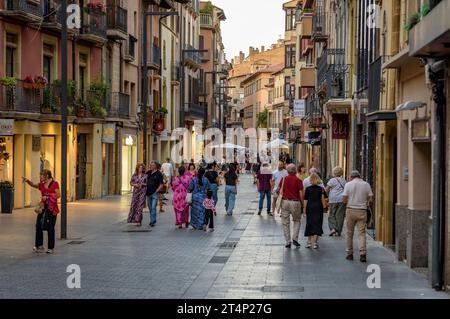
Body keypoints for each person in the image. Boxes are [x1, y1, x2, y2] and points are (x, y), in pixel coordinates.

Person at [22, 170, 60, 254]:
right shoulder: (41, 185)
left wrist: (48, 196)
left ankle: (50, 248)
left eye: (41, 175)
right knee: (38, 225)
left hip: (51, 209)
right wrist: (27, 181)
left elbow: (58, 195)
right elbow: (33, 185)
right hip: (42, 208)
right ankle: (39, 245)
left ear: (46, 176)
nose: (40, 177)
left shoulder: (54, 184)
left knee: (50, 227)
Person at [342, 170, 374, 263]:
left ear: (351, 177)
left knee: (349, 233)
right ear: (359, 176)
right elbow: (371, 199)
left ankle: (349, 254)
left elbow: (344, 199)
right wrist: (366, 202)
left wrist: (348, 202)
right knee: (362, 233)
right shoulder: (366, 184)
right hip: (362, 211)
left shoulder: (348, 184)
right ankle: (362, 254)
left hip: (350, 210)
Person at [277, 164, 304, 248]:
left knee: (285, 222)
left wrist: (281, 195)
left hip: (285, 201)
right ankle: (295, 238)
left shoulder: (284, 179)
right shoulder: (298, 180)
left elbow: (278, 190)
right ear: (295, 170)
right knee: (297, 220)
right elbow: (301, 193)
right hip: (295, 202)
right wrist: (303, 203)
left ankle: (288, 241)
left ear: (287, 171)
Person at [304, 173, 326, 249]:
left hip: (310, 207)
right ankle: (315, 243)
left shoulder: (307, 189)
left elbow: (305, 200)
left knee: (309, 223)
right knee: (318, 223)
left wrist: (304, 209)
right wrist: (325, 208)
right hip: (318, 207)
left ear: (310, 180)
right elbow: (323, 200)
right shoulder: (321, 189)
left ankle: (309, 242)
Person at [326, 166, 347, 237]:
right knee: (340, 215)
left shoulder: (332, 180)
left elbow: (327, 189)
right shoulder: (344, 180)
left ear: (334, 172)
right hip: (342, 200)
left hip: (333, 199)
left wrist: (328, 195)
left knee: (332, 214)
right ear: (341, 173)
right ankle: (338, 231)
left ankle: (333, 229)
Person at [146, 161, 165, 227]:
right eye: (150, 165)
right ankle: (152, 219)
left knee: (153, 207)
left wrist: (157, 190)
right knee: (150, 207)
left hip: (154, 193)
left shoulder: (159, 173)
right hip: (148, 193)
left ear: (155, 166)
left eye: (152, 165)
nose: (150, 166)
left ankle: (152, 221)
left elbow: (161, 184)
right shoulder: (148, 173)